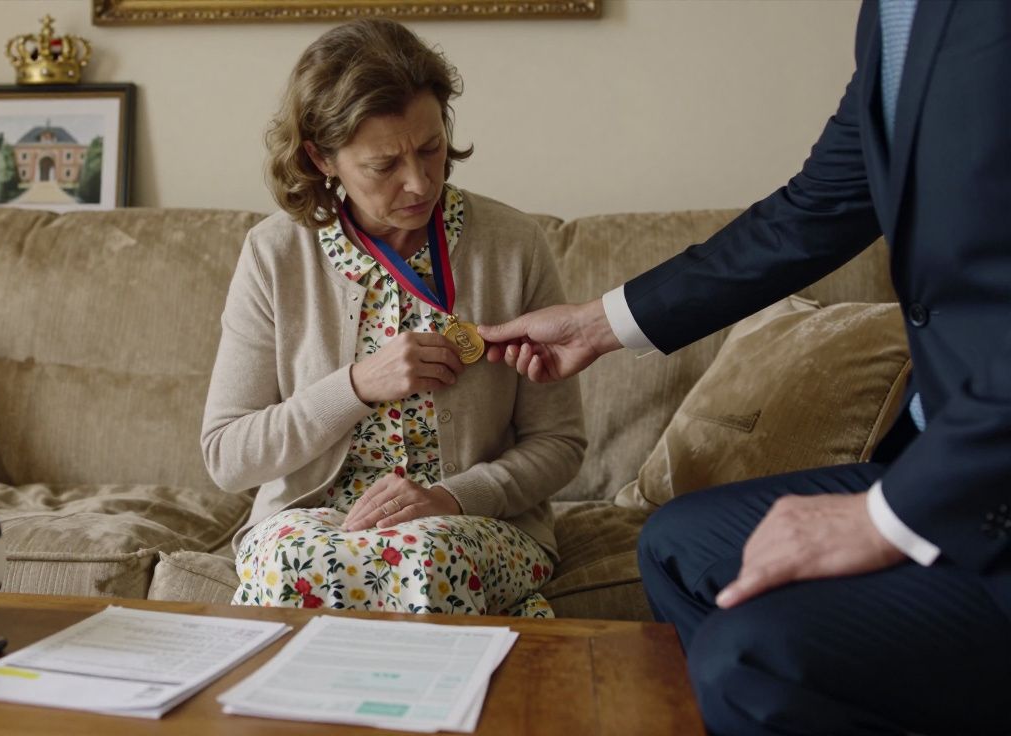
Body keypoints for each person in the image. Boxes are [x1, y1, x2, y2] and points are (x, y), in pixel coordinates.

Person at [479, 1, 1011, 733]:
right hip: (944, 458)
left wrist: (885, 517)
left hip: (984, 481)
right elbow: (813, 210)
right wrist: (596, 325)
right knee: (674, 544)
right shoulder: (893, 15)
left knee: (746, 660)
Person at [200, 19, 584, 617]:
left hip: (467, 522)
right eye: (384, 165)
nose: (419, 181)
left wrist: (451, 497)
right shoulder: (274, 254)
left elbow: (559, 442)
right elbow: (228, 456)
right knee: (294, 562)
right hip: (314, 523)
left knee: (422, 556)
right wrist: (356, 385)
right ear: (320, 157)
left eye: (430, 148)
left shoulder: (513, 246)